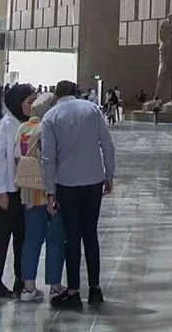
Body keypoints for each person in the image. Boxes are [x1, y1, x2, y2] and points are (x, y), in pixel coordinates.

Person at [41, 79, 116, 310]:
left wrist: (49, 190)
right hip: (93, 180)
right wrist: (109, 174)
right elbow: (107, 144)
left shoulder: (50, 117)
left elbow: (48, 158)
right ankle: (95, 289)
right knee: (90, 234)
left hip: (67, 183)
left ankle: (73, 290)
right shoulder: (92, 109)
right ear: (75, 92)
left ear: (56, 95)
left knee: (72, 237)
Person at [16, 91, 68, 303]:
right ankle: (55, 285)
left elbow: (17, 157)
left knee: (31, 241)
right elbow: (51, 160)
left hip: (29, 193)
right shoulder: (48, 127)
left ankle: (28, 287)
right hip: (48, 195)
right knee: (55, 240)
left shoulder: (23, 128)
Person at [0, 83, 34, 299]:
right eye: (29, 102)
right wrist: (1, 191)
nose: (32, 106)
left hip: (22, 190)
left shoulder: (25, 124)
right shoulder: (6, 125)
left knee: (21, 237)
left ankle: (20, 278)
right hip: (6, 191)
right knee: (1, 236)